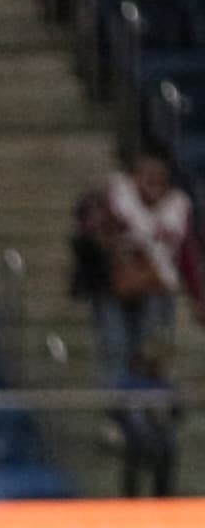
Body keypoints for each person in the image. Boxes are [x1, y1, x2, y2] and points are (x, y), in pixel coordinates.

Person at [82, 150, 190, 388]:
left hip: (156, 288)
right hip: (111, 287)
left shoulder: (176, 206)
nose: (154, 185)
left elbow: (184, 254)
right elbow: (89, 235)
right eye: (147, 177)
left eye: (159, 179)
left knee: (152, 353)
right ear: (134, 177)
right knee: (115, 348)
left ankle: (149, 412)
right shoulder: (111, 197)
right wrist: (120, 251)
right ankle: (120, 412)